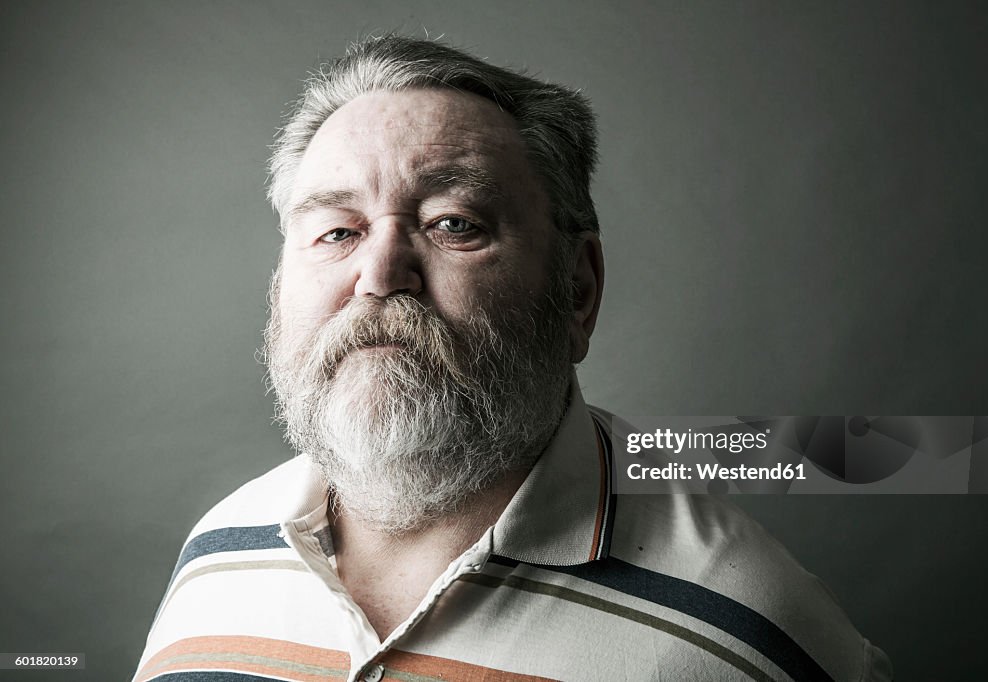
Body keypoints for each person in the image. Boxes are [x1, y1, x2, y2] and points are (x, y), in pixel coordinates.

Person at [134, 35, 891, 682]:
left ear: (578, 290)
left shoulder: (750, 632)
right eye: (337, 231)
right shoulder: (216, 553)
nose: (380, 275)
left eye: (453, 223)